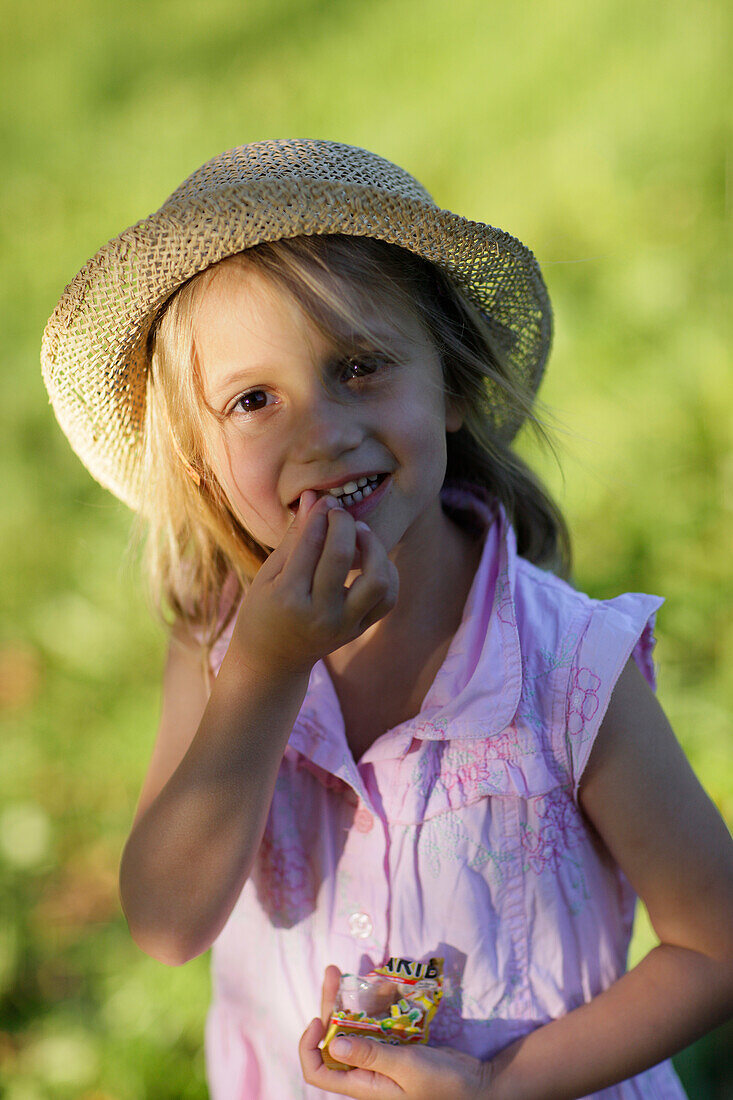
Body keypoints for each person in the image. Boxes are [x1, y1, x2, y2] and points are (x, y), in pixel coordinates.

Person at [42, 140, 732, 1099]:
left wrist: (495, 1089)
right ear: (199, 464)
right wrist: (265, 671)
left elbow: (714, 943)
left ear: (450, 385)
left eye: (359, 367)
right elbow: (166, 923)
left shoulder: (567, 664)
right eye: (252, 400)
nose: (318, 432)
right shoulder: (216, 643)